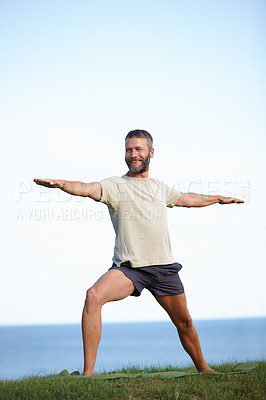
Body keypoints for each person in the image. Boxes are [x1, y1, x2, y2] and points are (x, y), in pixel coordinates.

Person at [34, 129, 244, 376]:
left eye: (138, 149)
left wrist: (218, 198)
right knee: (93, 296)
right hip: (129, 269)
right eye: (128, 149)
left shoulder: (159, 187)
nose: (132, 154)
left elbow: (187, 198)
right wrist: (63, 185)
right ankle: (87, 375)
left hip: (164, 268)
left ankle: (204, 369)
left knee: (184, 323)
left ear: (151, 153)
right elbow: (88, 188)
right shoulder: (115, 185)